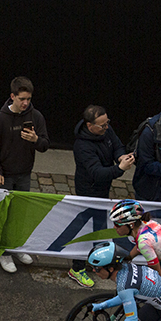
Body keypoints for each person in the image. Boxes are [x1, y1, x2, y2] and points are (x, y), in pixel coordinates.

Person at [0, 76, 49, 273]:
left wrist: (35, 139)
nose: (25, 103)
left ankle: (16, 246)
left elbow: (45, 145)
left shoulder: (36, 117)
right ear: (12, 96)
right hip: (5, 175)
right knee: (4, 215)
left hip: (24, 173)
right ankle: (3, 252)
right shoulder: (0, 118)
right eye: (22, 99)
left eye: (28, 99)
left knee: (20, 213)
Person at [69, 105, 135, 287]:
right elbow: (97, 173)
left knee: (98, 226)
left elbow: (117, 145)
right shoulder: (82, 146)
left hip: (102, 190)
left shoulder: (105, 129)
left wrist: (121, 156)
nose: (106, 128)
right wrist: (119, 169)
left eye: (107, 124)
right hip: (88, 191)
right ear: (90, 126)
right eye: (102, 126)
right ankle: (77, 267)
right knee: (85, 228)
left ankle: (97, 260)